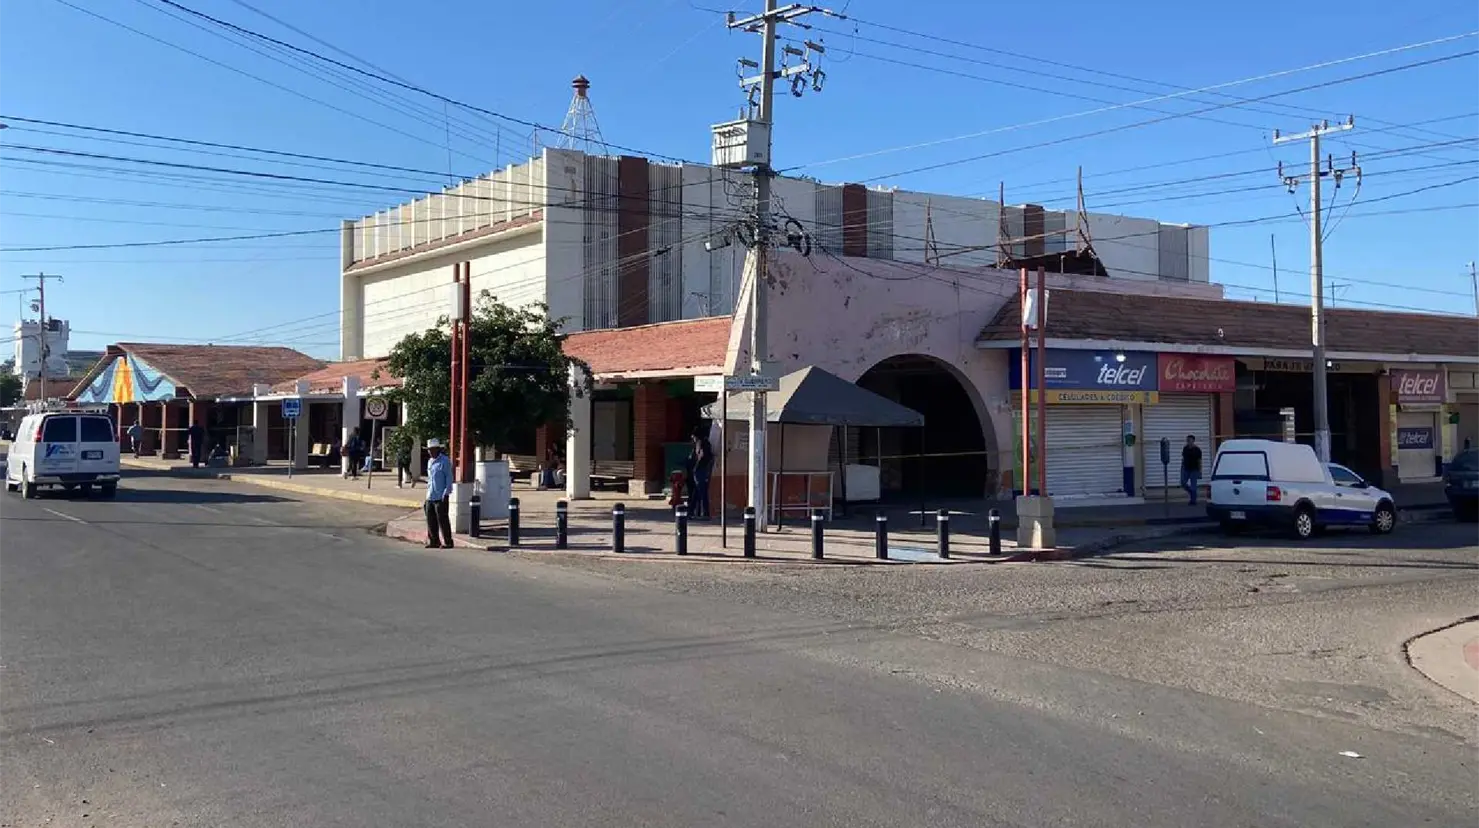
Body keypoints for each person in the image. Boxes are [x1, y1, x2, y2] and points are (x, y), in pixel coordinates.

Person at [423, 438, 454, 548]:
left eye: (431, 450)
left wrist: (446, 493)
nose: (430, 452)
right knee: (430, 520)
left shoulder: (445, 461)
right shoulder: (430, 462)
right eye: (428, 450)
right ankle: (434, 541)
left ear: (437, 450)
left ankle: (448, 541)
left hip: (441, 496)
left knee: (443, 520)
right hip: (430, 495)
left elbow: (449, 478)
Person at [689, 427, 714, 519]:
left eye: (693, 437)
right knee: (697, 492)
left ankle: (704, 512)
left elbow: (702, 456)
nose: (693, 439)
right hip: (702, 470)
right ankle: (692, 511)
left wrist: (696, 467)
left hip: (700, 470)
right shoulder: (705, 443)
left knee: (702, 492)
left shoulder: (701, 443)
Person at [1181, 434, 1203, 506]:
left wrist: (1200, 471)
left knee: (1193, 485)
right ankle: (1192, 493)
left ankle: (1193, 500)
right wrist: (1182, 468)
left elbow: (1199, 461)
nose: (1188, 442)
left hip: (1194, 469)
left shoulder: (1197, 450)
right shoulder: (1185, 449)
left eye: (1189, 440)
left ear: (1193, 441)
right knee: (1183, 483)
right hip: (1186, 469)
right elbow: (1183, 459)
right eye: (1187, 440)